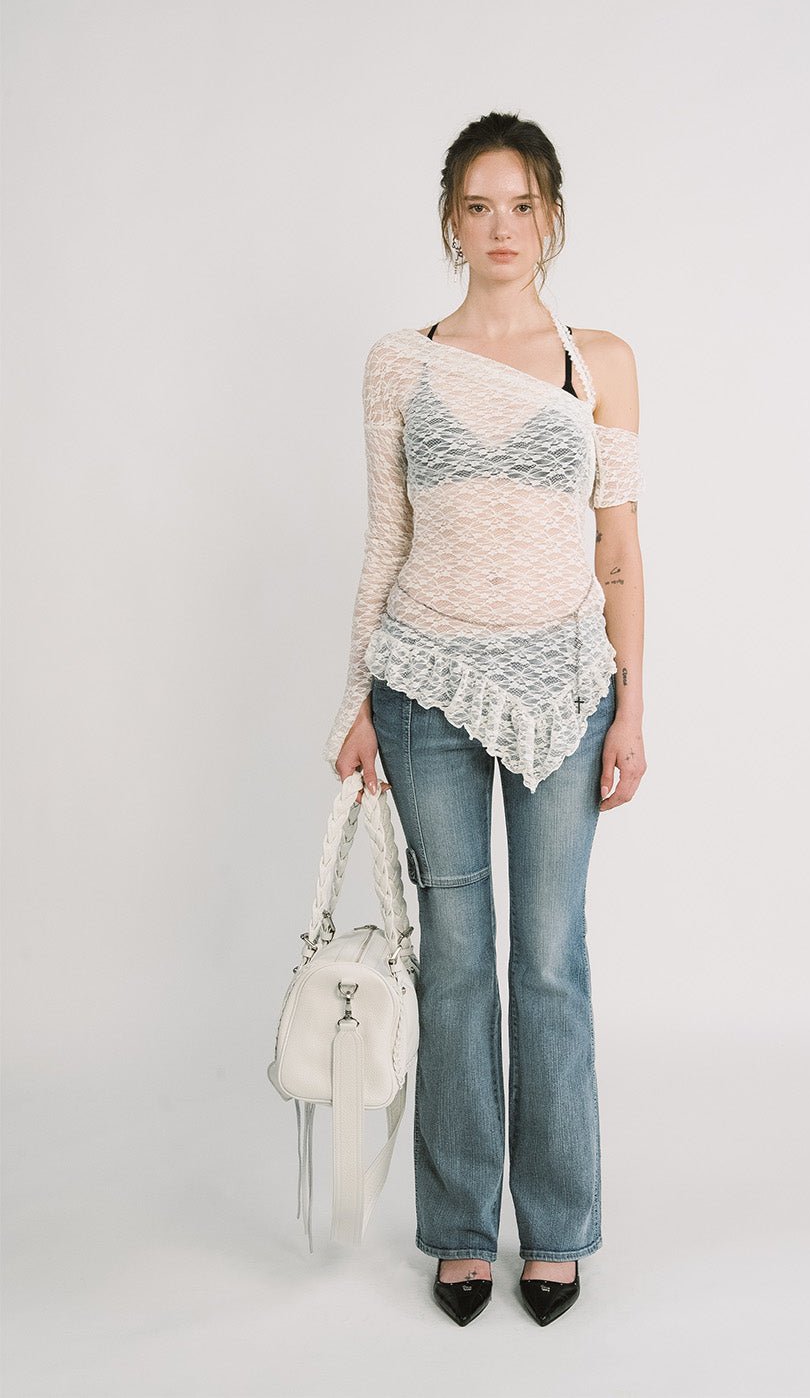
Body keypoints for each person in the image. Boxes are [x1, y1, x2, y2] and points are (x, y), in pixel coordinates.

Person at [325, 110, 646, 1327]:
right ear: (450, 220)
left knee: (548, 957)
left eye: (520, 205)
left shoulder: (597, 359)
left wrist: (631, 705)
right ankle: (461, 1228)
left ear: (550, 216)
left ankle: (554, 1228)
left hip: (566, 685)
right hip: (422, 688)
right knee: (455, 961)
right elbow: (385, 539)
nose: (499, 227)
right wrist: (356, 699)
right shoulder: (400, 362)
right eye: (477, 206)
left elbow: (620, 548)